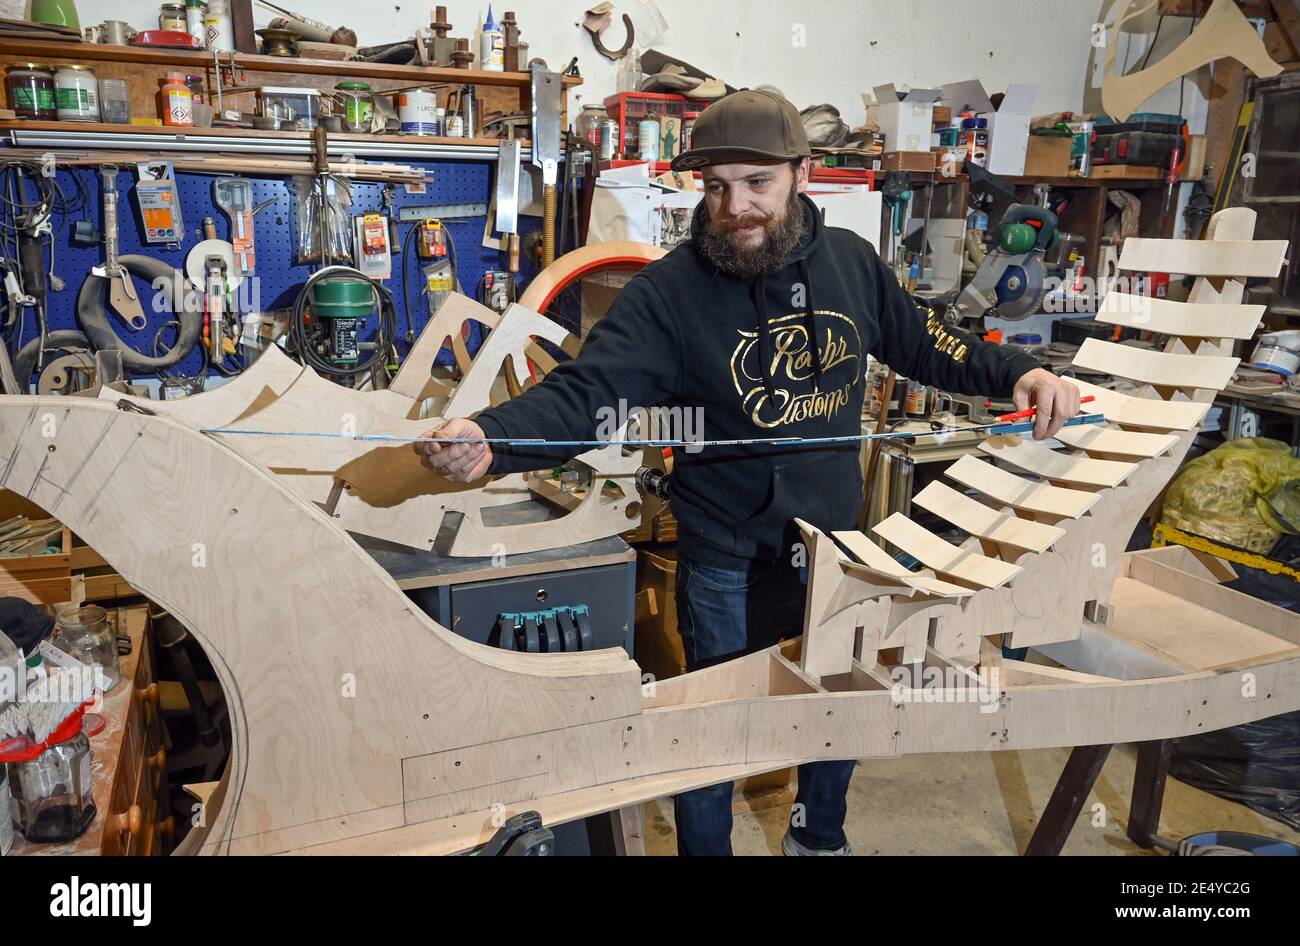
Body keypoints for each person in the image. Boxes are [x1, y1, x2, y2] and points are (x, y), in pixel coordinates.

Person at [415, 89, 1082, 855]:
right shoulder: (668, 294)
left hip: (833, 550)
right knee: (714, 733)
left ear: (802, 173)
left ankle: (818, 837)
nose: (737, 207)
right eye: (717, 186)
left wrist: (1018, 373)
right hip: (723, 555)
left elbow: (933, 344)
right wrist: (492, 437)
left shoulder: (853, 266)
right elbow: (587, 396)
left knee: (838, 707)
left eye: (757, 183)